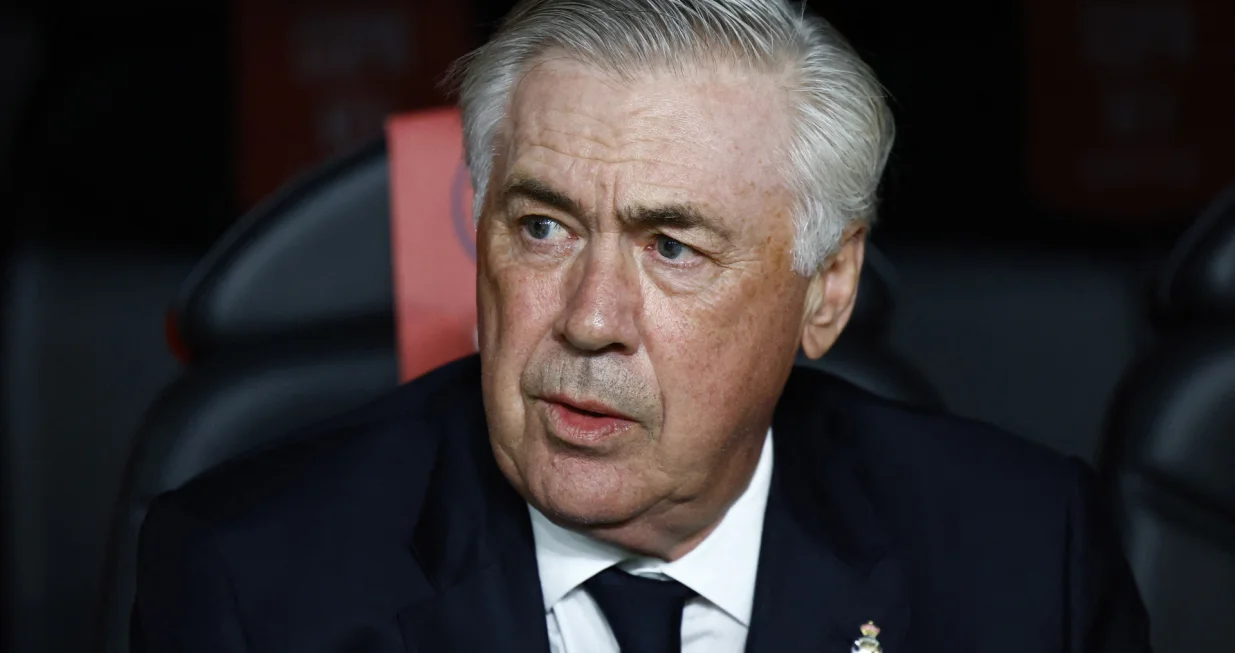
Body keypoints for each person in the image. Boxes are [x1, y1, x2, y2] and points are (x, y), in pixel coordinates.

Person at [132, 1, 1151, 651]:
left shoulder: (1024, 556)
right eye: (541, 226)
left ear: (826, 288)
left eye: (672, 246)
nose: (588, 318)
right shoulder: (252, 580)